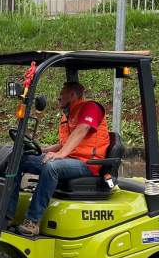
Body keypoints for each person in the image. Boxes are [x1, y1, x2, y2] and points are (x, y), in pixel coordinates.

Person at [10, 81, 110, 236]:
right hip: (69, 160)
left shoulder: (91, 108)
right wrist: (43, 150)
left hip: (88, 164)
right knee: (19, 160)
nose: (58, 97)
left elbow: (83, 130)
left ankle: (33, 222)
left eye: (62, 93)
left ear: (72, 94)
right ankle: (7, 213)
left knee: (52, 167)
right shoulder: (69, 114)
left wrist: (60, 155)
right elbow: (64, 143)